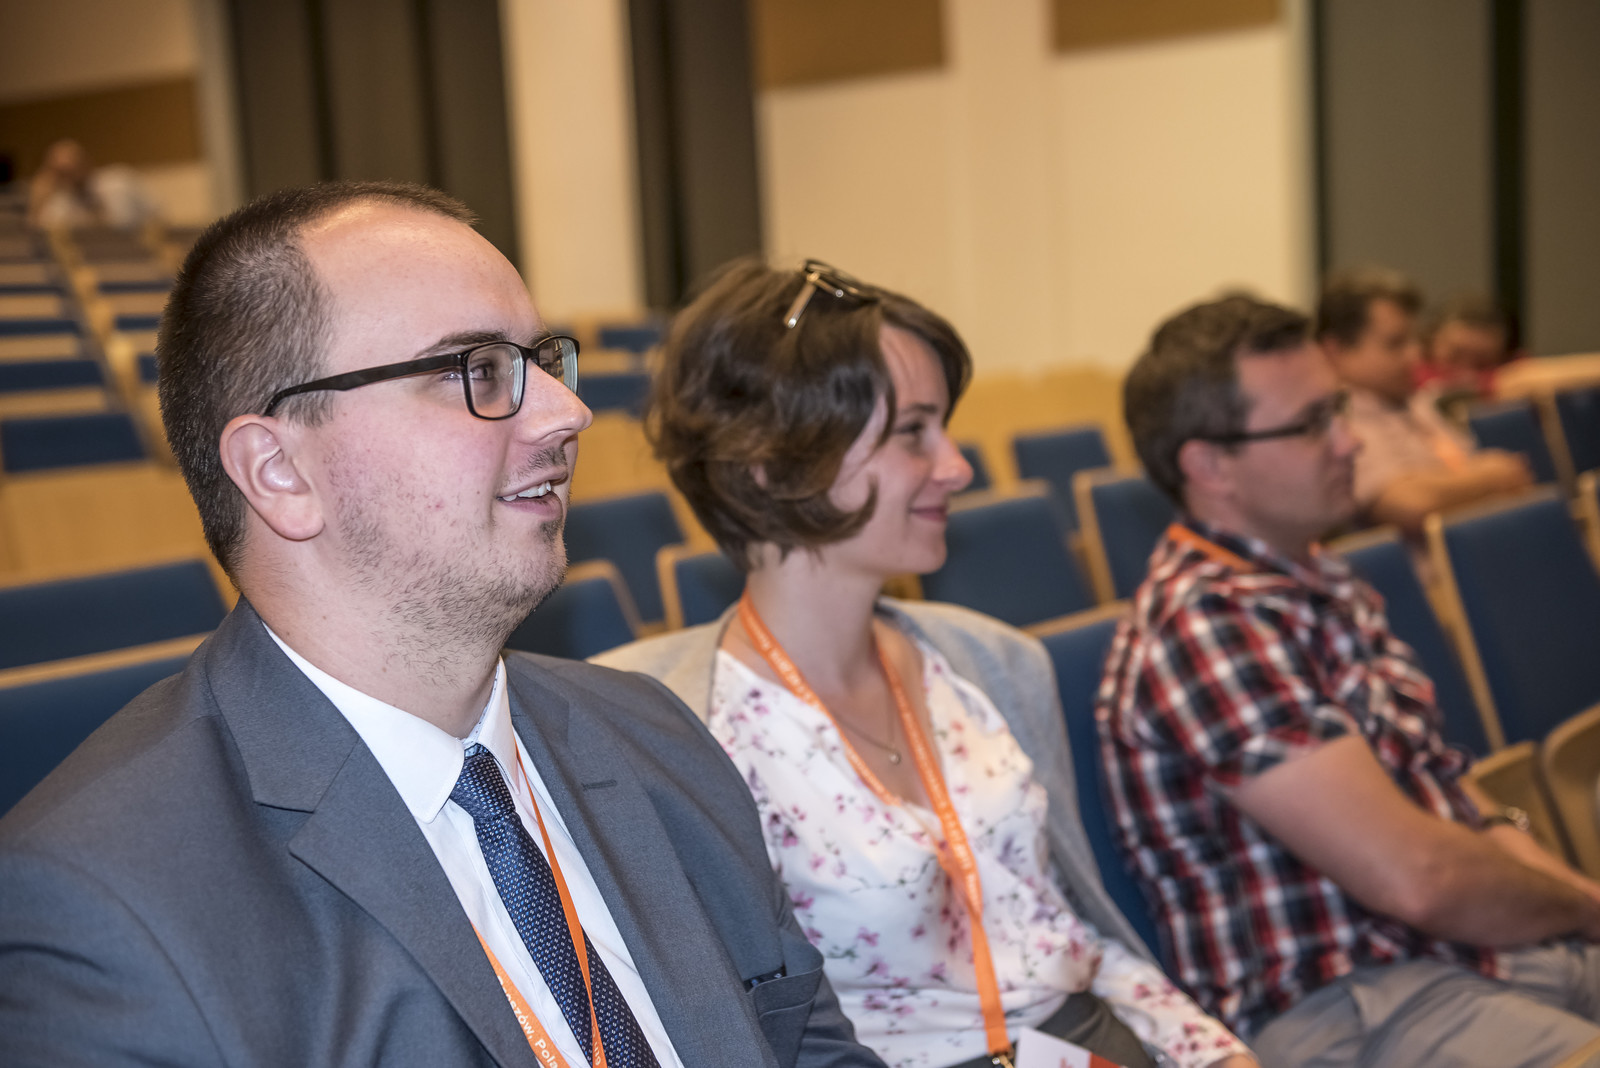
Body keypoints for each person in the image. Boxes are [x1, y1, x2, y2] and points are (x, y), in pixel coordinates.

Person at [0, 182, 879, 1068]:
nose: (568, 413)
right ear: (279, 472)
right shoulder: (105, 907)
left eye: (542, 361)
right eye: (476, 371)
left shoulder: (654, 737)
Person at [593, 259, 1255, 1068]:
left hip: (1091, 1042)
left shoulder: (991, 663)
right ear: (772, 463)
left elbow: (1071, 930)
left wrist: (1212, 1051)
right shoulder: (689, 733)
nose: (957, 465)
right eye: (913, 432)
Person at [1099, 293, 1600, 1067]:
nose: (1349, 440)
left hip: (1461, 955)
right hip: (1349, 1006)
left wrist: (1581, 904)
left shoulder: (1320, 577)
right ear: (1208, 465)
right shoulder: (1207, 624)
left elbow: (1447, 791)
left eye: (1336, 409)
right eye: (1310, 425)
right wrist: (1581, 907)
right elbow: (1419, 879)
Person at [1316, 266, 1532, 534]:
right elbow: (1409, 503)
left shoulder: (1413, 402)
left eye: (1414, 340)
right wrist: (1491, 477)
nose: (1415, 356)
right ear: (1335, 351)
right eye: (1395, 343)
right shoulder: (1337, 421)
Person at [27, 137, 157, 229]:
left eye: (73, 166)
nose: (70, 175)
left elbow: (155, 214)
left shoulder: (119, 180)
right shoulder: (63, 202)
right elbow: (41, 230)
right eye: (62, 171)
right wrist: (39, 196)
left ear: (86, 161)